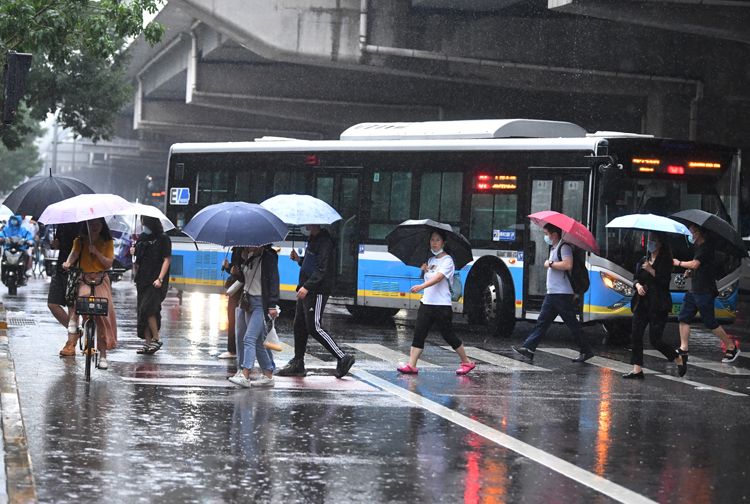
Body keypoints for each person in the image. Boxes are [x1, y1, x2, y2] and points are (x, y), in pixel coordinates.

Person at [276, 224, 355, 379]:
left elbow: (322, 269)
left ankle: (343, 356)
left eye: (309, 222)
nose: (306, 225)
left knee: (314, 327)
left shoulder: (325, 241)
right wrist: (299, 260)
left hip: (316, 290)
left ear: (316, 223)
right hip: (305, 289)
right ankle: (298, 362)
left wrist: (307, 286)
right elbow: (312, 264)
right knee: (299, 324)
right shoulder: (313, 238)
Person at [397, 230, 476, 375]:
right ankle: (411, 365)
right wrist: (424, 271)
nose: (434, 243)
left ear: (443, 243)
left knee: (448, 335)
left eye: (437, 240)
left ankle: (466, 362)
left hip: (442, 306)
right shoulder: (431, 261)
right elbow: (429, 277)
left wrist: (421, 286)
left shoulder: (448, 261)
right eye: (432, 240)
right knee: (419, 333)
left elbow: (438, 278)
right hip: (426, 303)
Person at [512, 223, 594, 363]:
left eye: (546, 234)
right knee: (543, 323)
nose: (546, 237)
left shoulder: (564, 247)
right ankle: (529, 348)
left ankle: (586, 350)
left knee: (571, 323)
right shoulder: (555, 247)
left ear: (554, 234)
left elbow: (568, 264)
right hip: (554, 293)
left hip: (561, 294)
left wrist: (550, 264)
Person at [672, 224, 740, 373]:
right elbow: (698, 266)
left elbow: (696, 263)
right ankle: (684, 349)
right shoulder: (698, 247)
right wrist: (689, 272)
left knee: (709, 321)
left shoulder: (706, 247)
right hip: (694, 289)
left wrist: (679, 263)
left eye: (692, 232)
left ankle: (731, 346)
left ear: (699, 232)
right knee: (683, 317)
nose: (690, 235)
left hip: (705, 291)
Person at [62, 218, 118, 370]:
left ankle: (104, 355)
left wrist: (97, 253)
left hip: (101, 280)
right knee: (80, 301)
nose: (94, 227)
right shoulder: (80, 241)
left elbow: (108, 263)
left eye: (97, 224)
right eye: (91, 224)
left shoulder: (108, 241)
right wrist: (68, 263)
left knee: (104, 315)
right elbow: (73, 255)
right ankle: (74, 322)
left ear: (102, 226)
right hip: (84, 278)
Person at [623, 232, 678, 379]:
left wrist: (651, 270)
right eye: (648, 240)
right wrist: (638, 286)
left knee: (655, 340)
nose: (650, 243)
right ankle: (637, 369)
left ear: (660, 243)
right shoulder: (643, 259)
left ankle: (676, 357)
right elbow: (635, 278)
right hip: (642, 303)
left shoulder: (666, 261)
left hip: (658, 305)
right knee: (636, 335)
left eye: (653, 240)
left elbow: (664, 281)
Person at [228, 245, 280, 388]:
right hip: (247, 302)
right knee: (257, 342)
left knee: (249, 338)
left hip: (260, 303)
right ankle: (268, 375)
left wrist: (272, 304)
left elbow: (274, 280)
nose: (249, 245)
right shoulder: (248, 256)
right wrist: (235, 270)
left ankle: (245, 374)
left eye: (252, 243)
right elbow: (246, 279)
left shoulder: (268, 257)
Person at [132, 216, 171, 354]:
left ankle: (156, 338)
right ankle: (148, 343)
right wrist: (134, 251)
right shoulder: (142, 238)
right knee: (142, 311)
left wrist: (160, 279)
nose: (144, 226)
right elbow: (138, 261)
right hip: (142, 279)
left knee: (149, 308)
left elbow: (167, 259)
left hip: (155, 281)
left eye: (145, 223)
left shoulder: (163, 238)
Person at [50, 223, 81, 357]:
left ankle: (71, 343)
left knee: (72, 308)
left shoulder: (82, 224)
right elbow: (58, 245)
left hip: (76, 269)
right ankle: (75, 332)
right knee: (52, 303)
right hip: (60, 267)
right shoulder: (61, 223)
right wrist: (55, 244)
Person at [218, 247, 242, 359]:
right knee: (233, 318)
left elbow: (242, 272)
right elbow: (235, 269)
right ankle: (234, 349)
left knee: (233, 318)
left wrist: (236, 271)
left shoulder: (243, 249)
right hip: (237, 287)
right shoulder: (237, 248)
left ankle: (233, 350)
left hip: (239, 289)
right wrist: (228, 268)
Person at [0, 214, 34, 283]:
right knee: (3, 262)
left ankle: (24, 274)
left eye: (15, 220)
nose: (14, 221)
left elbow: (29, 237)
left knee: (27, 256)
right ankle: (3, 275)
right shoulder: (6, 229)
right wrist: (3, 239)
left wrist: (28, 241)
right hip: (8, 249)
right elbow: (1, 235)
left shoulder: (23, 230)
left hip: (20, 249)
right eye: (13, 219)